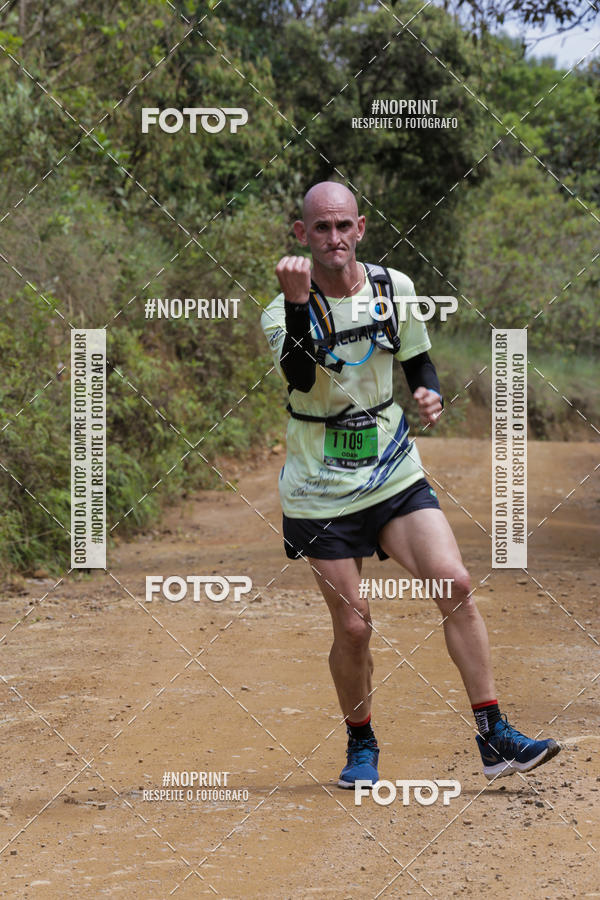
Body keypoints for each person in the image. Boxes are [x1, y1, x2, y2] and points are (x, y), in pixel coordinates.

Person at [261, 181, 559, 789]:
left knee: (455, 582)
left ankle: (494, 735)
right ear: (302, 235)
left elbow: (416, 358)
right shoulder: (279, 309)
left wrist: (430, 392)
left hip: (391, 466)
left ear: (361, 228)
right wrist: (296, 304)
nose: (334, 238)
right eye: (322, 228)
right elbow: (297, 375)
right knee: (353, 624)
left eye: (344, 226)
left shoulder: (393, 289)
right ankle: (361, 740)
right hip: (319, 484)